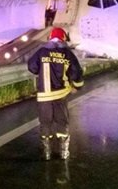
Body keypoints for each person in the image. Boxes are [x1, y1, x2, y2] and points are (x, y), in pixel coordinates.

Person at [27, 27, 84, 160]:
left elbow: (32, 66)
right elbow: (77, 72)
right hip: (61, 95)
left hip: (44, 96)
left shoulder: (42, 52)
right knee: (62, 122)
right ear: (63, 39)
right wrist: (77, 86)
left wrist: (41, 71)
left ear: (50, 38)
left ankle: (46, 153)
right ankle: (64, 152)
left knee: (45, 123)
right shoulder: (67, 54)